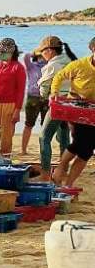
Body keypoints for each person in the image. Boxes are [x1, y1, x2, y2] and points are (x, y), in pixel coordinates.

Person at [51, 36, 95, 188]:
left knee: (86, 151)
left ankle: (67, 182)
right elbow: (59, 76)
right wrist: (54, 92)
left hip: (94, 112)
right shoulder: (79, 65)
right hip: (78, 109)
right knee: (81, 144)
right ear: (93, 49)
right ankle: (62, 170)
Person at [36, 35, 73, 181]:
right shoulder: (69, 61)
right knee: (64, 137)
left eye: (43, 51)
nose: (42, 54)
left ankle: (45, 173)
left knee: (43, 137)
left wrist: (43, 94)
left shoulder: (52, 66)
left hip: (57, 104)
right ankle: (64, 170)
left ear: (50, 50)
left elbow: (45, 89)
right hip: (70, 103)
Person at [0, 38, 26, 158]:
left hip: (9, 105)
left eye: (3, 52)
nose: (0, 54)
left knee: (6, 134)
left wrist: (17, 110)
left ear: (11, 53)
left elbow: (20, 91)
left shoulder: (18, 68)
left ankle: (5, 158)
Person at [21, 49, 48, 156]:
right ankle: (23, 149)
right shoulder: (31, 66)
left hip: (46, 97)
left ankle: (44, 149)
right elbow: (25, 56)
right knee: (28, 124)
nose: (43, 58)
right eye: (41, 56)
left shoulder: (49, 65)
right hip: (33, 98)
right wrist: (34, 53)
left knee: (45, 126)